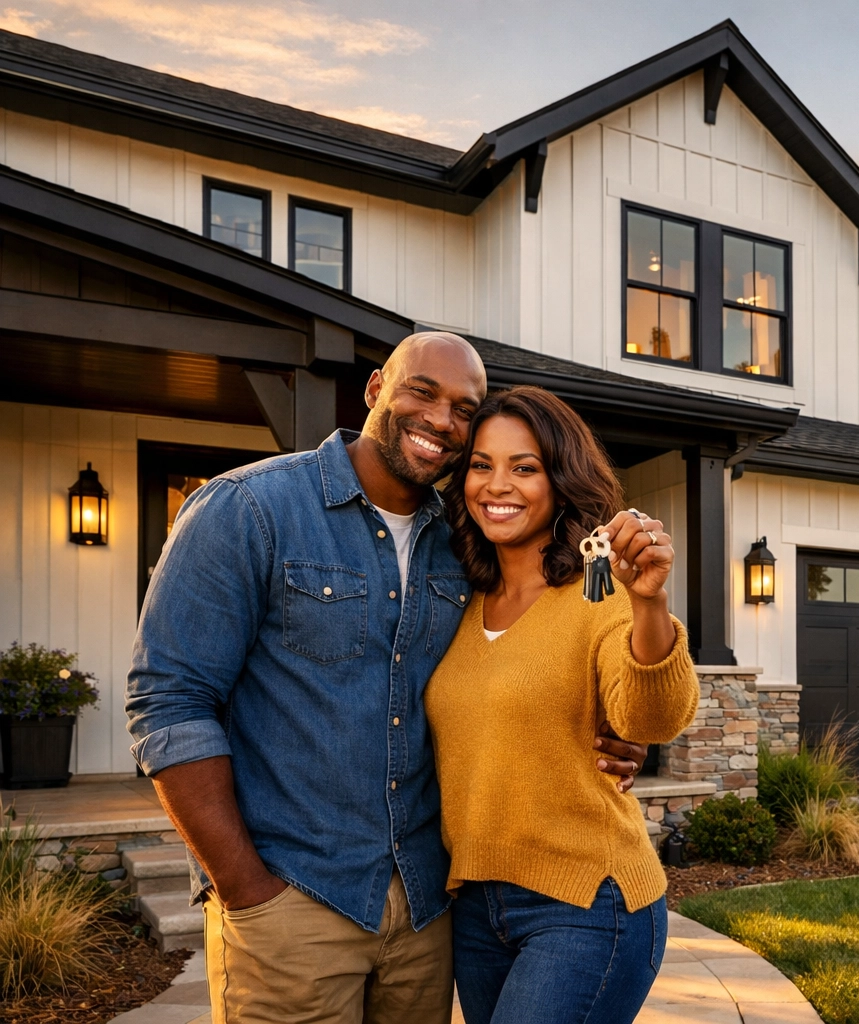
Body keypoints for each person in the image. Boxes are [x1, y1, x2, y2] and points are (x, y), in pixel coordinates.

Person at [125, 333, 648, 1024]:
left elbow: (528, 646)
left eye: (464, 408)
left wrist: (612, 720)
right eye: (422, 392)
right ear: (376, 389)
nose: (442, 420)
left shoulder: (464, 544)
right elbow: (168, 703)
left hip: (428, 912)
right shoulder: (249, 509)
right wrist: (245, 888)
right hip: (295, 898)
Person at [428, 386, 698, 1024]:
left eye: (525, 468)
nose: (498, 485)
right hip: (474, 907)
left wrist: (651, 604)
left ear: (560, 480)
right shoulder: (458, 601)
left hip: (584, 904)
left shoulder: (599, 593)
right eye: (481, 465)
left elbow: (650, 721)